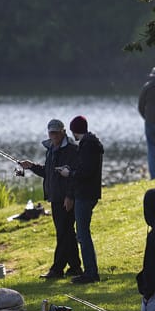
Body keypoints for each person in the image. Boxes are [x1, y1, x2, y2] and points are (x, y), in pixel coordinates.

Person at [19, 119, 82, 279]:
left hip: (65, 199)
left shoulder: (71, 150)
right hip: (55, 197)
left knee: (64, 233)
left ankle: (57, 270)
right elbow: (48, 172)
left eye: (56, 132)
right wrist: (31, 166)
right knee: (66, 233)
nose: (53, 135)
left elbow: (74, 175)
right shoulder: (51, 149)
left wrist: (69, 196)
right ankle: (75, 267)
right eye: (51, 132)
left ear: (63, 132)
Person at [58, 115, 104, 284]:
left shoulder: (88, 146)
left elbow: (86, 172)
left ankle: (91, 272)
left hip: (85, 194)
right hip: (88, 193)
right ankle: (90, 271)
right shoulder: (90, 144)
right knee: (82, 233)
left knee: (83, 234)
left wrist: (68, 173)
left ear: (75, 131)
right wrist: (71, 169)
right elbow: (84, 168)